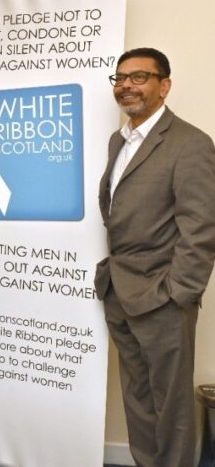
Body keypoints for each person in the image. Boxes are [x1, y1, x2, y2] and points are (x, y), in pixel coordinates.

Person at [96, 47, 215, 467]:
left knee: (172, 405)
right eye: (121, 78)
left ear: (164, 86)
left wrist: (177, 292)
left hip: (162, 298)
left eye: (139, 77)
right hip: (121, 292)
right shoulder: (119, 140)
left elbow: (200, 229)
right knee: (139, 399)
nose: (126, 85)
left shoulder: (190, 144)